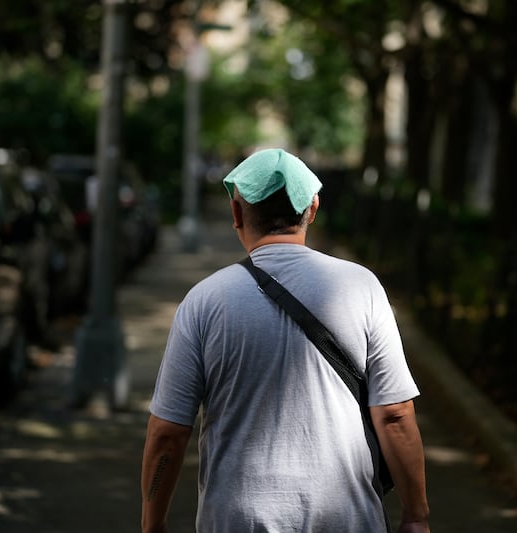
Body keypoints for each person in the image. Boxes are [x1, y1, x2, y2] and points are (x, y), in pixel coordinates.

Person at [141, 148, 430, 533]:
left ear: (237, 213)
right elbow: (394, 415)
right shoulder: (362, 288)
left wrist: (152, 523)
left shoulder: (205, 301)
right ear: (313, 209)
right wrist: (415, 516)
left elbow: (168, 433)